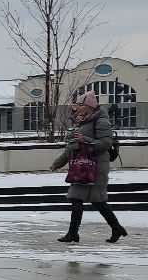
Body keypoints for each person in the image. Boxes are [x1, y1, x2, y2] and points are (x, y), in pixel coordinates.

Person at [49, 91, 125, 243]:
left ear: (90, 106)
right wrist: (58, 162)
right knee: (77, 198)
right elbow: (72, 146)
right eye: (77, 104)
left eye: (81, 105)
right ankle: (74, 233)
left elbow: (105, 144)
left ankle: (115, 228)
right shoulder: (79, 121)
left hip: (95, 166)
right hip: (80, 166)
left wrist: (85, 140)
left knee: (96, 201)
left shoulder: (101, 121)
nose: (77, 107)